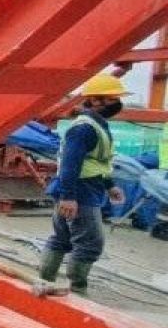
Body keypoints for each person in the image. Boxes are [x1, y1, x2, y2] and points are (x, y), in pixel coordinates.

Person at [38, 73, 131, 293]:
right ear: (96, 100)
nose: (118, 103)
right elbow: (71, 162)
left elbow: (97, 160)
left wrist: (110, 185)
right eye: (113, 98)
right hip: (80, 190)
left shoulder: (96, 125)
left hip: (80, 187)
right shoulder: (84, 128)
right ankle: (77, 292)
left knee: (62, 238)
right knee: (90, 243)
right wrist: (69, 197)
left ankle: (44, 282)